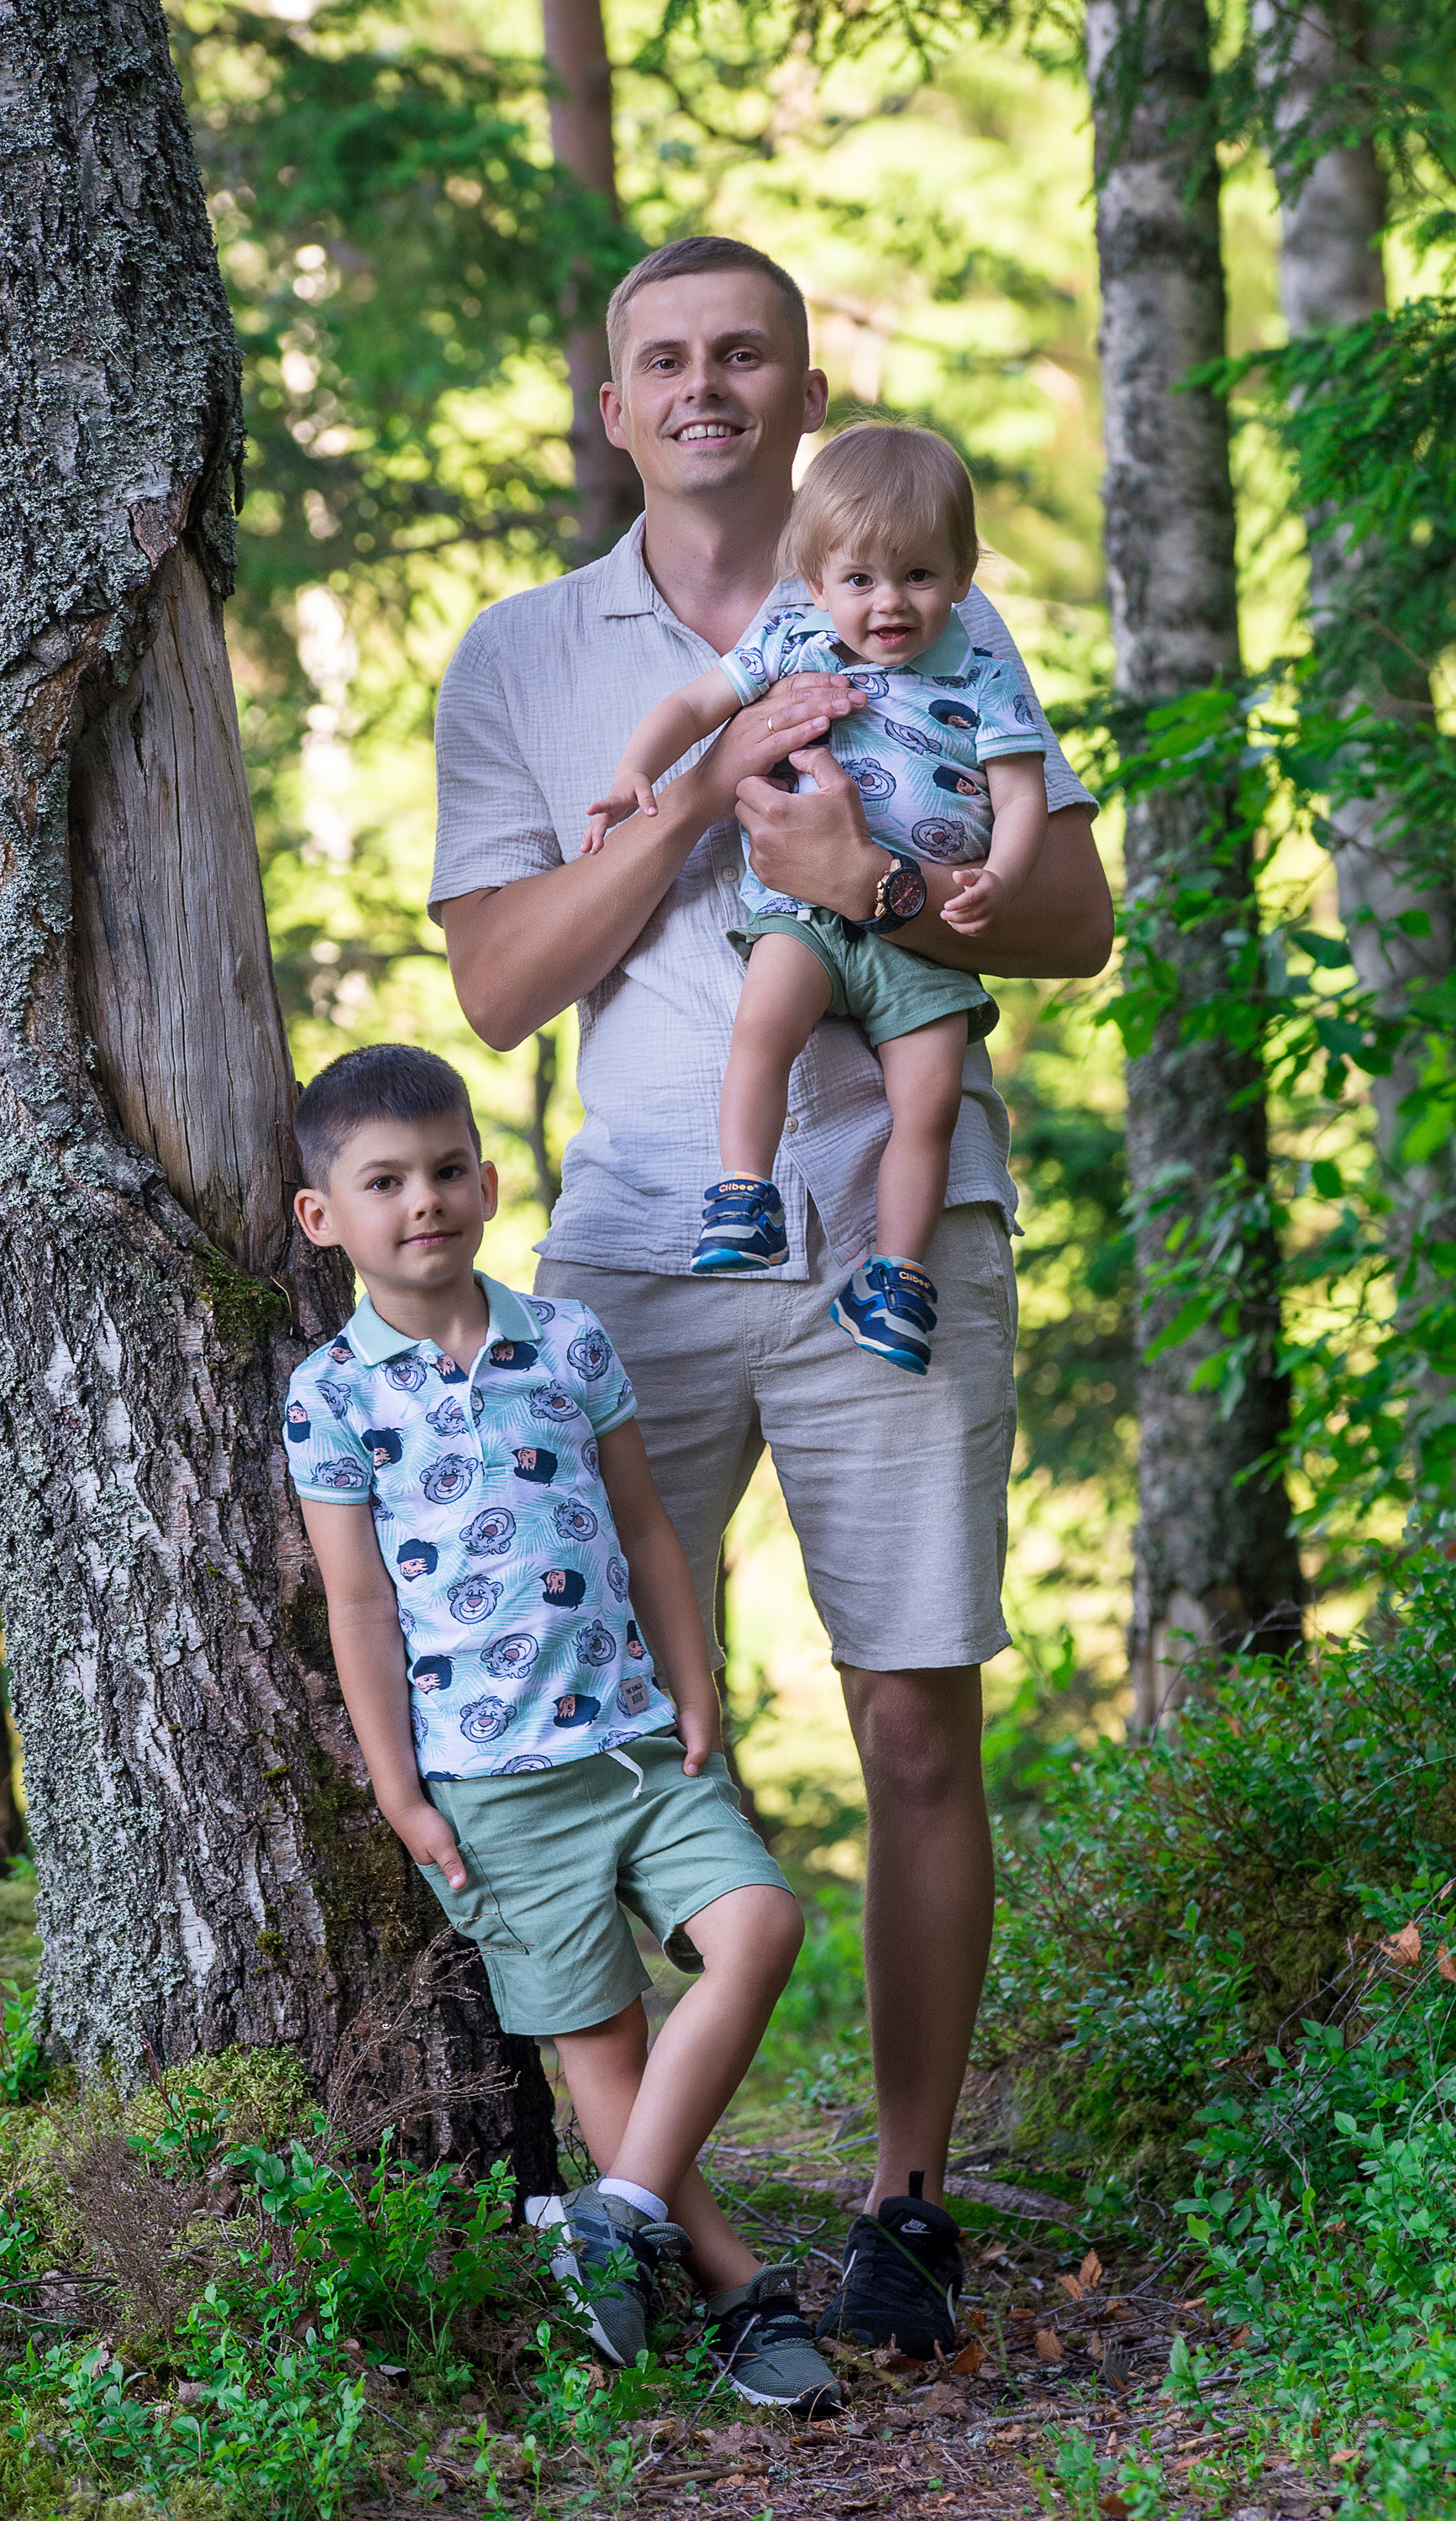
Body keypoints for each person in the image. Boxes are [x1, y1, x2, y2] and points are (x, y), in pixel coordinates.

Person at [431, 234, 1112, 2358]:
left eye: (746, 354)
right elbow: (498, 982)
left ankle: (906, 2207)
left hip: (901, 1228)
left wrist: (871, 888)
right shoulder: (529, 659)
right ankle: (673, 2224)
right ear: (612, 410)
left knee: (913, 1713)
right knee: (599, 1726)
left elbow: (1071, 921)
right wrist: (700, 811)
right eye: (665, 360)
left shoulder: (929, 589)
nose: (707, 386)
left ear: (804, 393)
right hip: (639, 1239)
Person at [283, 1042, 839, 2415]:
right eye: (386, 1180)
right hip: (492, 1792)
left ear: (487, 1175)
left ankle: (616, 2213)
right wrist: (402, 1793)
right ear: (323, 1217)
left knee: (760, 1927)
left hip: (639, 1747)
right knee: (606, 2052)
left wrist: (695, 1678)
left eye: (449, 1168)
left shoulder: (568, 1340)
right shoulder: (333, 1396)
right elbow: (358, 1608)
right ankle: (734, 2296)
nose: (427, 1200)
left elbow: (650, 1529)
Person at [585, 422, 1049, 1379]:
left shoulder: (983, 667)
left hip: (920, 942)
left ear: (963, 576)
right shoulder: (791, 633)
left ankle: (895, 1276)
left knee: (926, 1105)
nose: (888, 604)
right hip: (803, 913)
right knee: (762, 1027)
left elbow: (1019, 793)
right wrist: (637, 767)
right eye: (860, 580)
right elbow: (694, 704)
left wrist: (998, 874)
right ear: (813, 578)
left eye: (918, 576)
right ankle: (743, 1192)